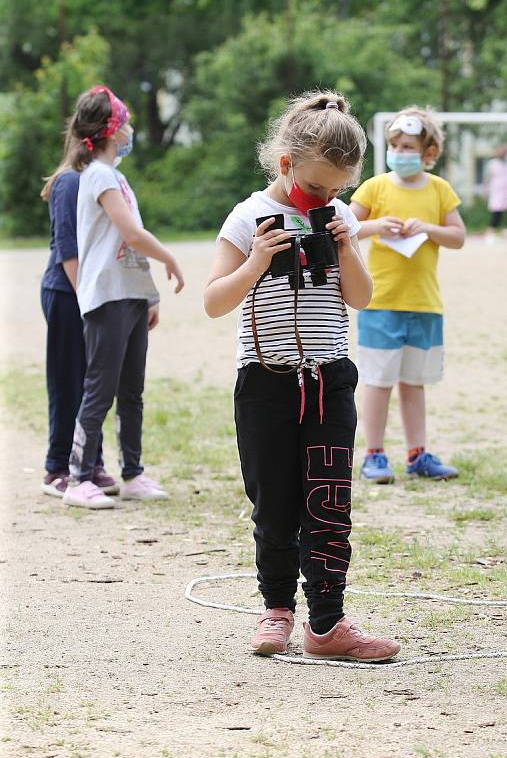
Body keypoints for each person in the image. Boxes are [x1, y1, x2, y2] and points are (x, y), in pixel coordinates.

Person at [204, 90, 400, 662]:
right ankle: (276, 611)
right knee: (275, 501)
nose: (327, 197)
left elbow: (361, 298)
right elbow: (215, 301)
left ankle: (327, 623)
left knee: (330, 500)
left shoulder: (339, 217)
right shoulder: (246, 217)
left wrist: (345, 249)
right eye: (317, 187)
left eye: (338, 188)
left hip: (330, 380)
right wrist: (258, 259)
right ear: (286, 164)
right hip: (267, 383)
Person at [61, 85, 184, 510]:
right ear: (112, 130)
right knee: (101, 388)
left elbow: (128, 246)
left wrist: (148, 295)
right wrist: (170, 257)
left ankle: (132, 473)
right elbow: (131, 232)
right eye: (126, 123)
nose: (131, 129)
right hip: (106, 297)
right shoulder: (97, 174)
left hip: (129, 295)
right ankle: (78, 477)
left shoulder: (118, 177)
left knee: (132, 390)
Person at [349, 106, 465, 485]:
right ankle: (375, 455)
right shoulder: (375, 187)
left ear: (429, 153)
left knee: (413, 383)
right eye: (394, 144)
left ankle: (417, 454)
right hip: (380, 302)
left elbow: (458, 237)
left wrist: (430, 228)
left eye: (408, 146)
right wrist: (377, 225)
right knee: (378, 382)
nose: (399, 152)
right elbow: (346, 227)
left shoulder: (439, 189)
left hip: (424, 304)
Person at [40, 143, 117, 499]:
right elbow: (67, 249)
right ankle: (57, 465)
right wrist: (86, 299)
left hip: (92, 295)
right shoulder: (69, 181)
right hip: (67, 294)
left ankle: (89, 461)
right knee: (67, 381)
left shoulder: (101, 179)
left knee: (93, 382)